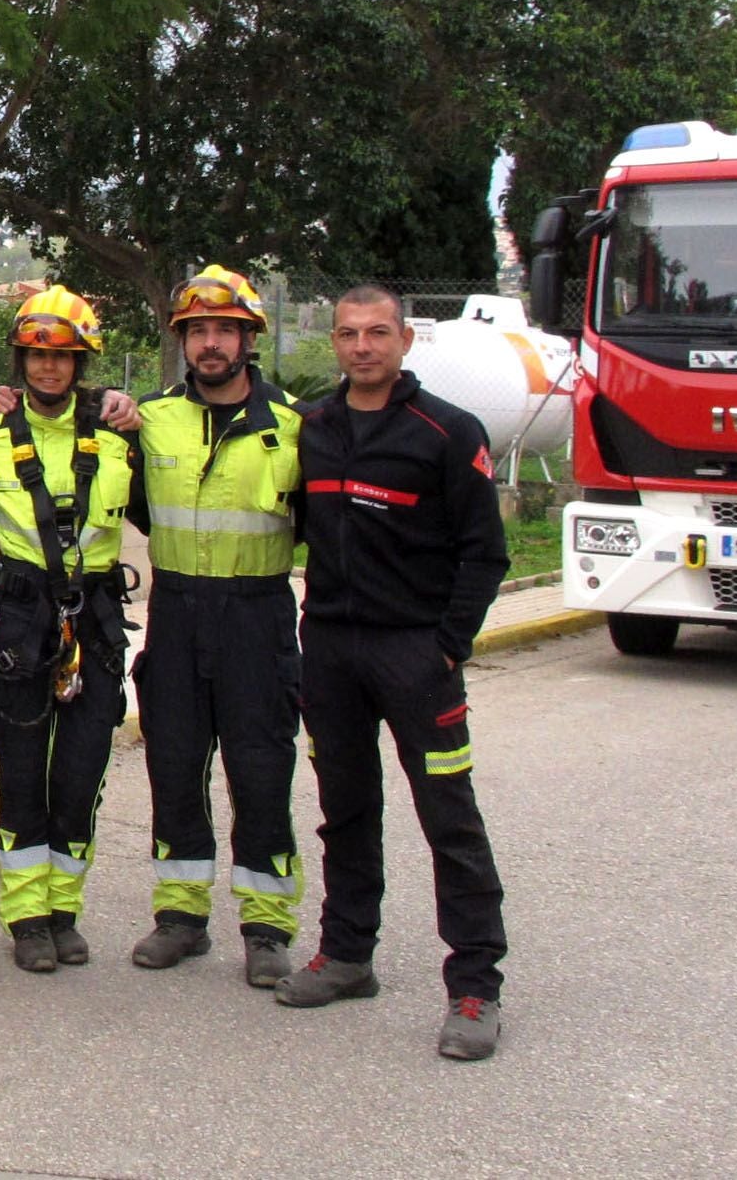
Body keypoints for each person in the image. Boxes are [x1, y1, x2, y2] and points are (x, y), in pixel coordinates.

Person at [275, 284, 510, 1062]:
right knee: (344, 810)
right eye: (348, 333)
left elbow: (486, 551)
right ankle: (347, 955)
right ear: (335, 342)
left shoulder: (446, 431)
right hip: (334, 650)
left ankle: (475, 984)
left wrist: (448, 645)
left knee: (449, 816)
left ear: (405, 341)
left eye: (379, 333)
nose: (363, 346)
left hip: (416, 654)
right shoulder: (310, 425)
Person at [127, 265, 304, 986]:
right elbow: (133, 502)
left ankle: (266, 928)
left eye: (224, 330)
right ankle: (180, 917)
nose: (209, 343)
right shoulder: (147, 418)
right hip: (175, 611)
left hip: (257, 616)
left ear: (248, 338)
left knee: (261, 770)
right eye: (197, 330)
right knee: (173, 764)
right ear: (182, 340)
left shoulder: (293, 427)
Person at [0, 287, 137, 972]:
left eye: (63, 356)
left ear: (83, 360)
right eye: (36, 355)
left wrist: (132, 406)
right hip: (19, 618)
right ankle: (27, 917)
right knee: (25, 773)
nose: (48, 368)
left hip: (93, 617)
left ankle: (66, 908)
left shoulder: (121, 432)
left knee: (81, 772)